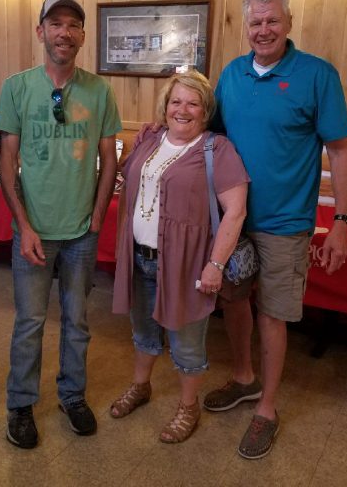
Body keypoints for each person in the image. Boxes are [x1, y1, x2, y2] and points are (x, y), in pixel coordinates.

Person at [204, 0, 347, 459]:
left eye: (273, 20)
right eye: (255, 22)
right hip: (233, 218)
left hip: (285, 223)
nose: (264, 29)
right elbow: (211, 140)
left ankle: (267, 408)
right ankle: (245, 379)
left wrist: (343, 223)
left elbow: (340, 151)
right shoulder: (230, 75)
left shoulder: (317, 75)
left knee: (273, 313)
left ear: (289, 23)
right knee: (232, 299)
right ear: (245, 26)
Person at [0, 0, 122, 448]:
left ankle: (72, 396)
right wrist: (24, 225)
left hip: (80, 233)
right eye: (55, 24)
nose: (64, 32)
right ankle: (21, 405)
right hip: (33, 231)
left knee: (78, 320)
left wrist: (97, 215)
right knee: (29, 322)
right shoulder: (16, 87)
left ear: (83, 35)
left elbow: (110, 158)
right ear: (40, 31)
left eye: (73, 25)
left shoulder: (99, 90)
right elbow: (7, 159)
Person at [110, 70, 250, 444]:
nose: (183, 109)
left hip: (188, 266)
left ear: (205, 111)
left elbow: (235, 212)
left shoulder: (217, 150)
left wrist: (215, 265)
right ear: (165, 106)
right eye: (176, 101)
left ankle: (189, 407)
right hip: (140, 257)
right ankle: (141, 386)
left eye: (193, 103)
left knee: (187, 342)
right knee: (143, 332)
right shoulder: (150, 138)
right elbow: (129, 179)